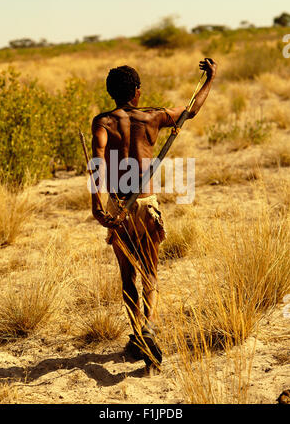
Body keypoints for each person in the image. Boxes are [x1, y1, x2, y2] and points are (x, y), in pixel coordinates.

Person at [90, 59, 217, 372]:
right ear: (137, 92)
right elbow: (191, 109)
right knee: (150, 272)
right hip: (146, 203)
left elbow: (98, 162)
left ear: (111, 93)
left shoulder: (103, 122)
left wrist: (97, 204)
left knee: (127, 275)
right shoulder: (153, 116)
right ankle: (147, 329)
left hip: (117, 207)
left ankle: (138, 334)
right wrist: (210, 79)